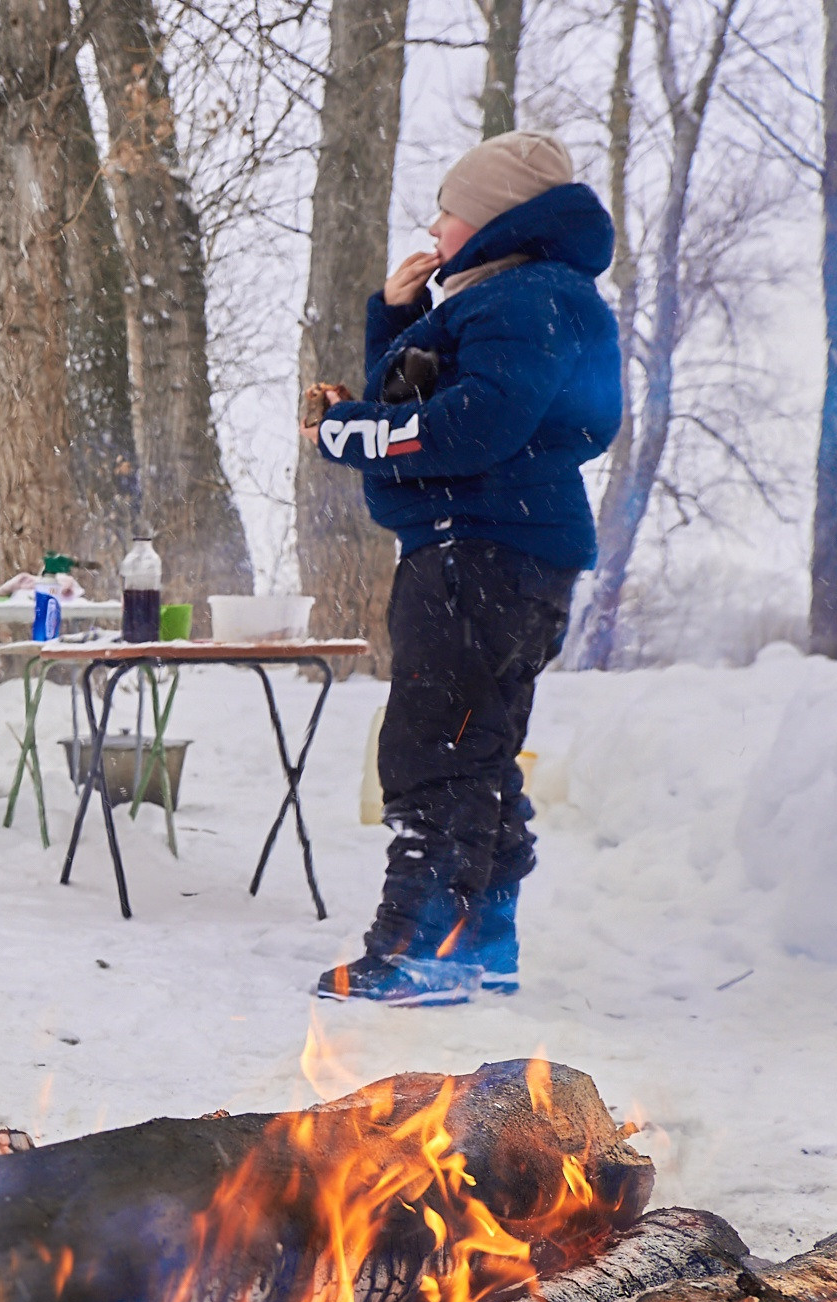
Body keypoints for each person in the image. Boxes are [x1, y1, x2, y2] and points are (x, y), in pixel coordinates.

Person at [303, 131, 622, 1004]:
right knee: (475, 749)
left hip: (478, 550)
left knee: (433, 749)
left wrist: (345, 433)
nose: (435, 227)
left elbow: (468, 423)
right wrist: (397, 319)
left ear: (492, 220)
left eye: (449, 210)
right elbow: (424, 391)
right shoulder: (519, 298)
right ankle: (481, 939)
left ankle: (420, 948)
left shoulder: (525, 299)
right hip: (502, 548)